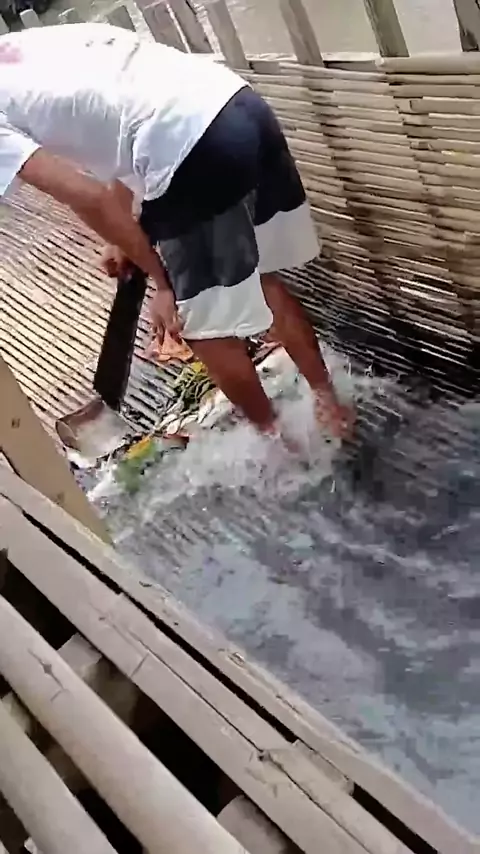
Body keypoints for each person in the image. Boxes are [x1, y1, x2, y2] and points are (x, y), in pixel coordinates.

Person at [0, 22, 351, 438]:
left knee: (201, 330)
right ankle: (329, 402)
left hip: (187, 146)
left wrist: (163, 282)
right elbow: (120, 120)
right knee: (261, 278)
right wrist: (122, 234)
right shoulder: (24, 46)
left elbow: (86, 196)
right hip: (234, 102)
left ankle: (281, 444)